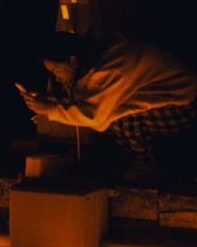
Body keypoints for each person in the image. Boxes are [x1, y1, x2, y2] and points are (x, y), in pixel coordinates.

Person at [21, 32, 197, 181]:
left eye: (56, 70)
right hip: (163, 99)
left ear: (73, 60)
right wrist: (51, 103)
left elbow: (92, 115)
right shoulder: (94, 63)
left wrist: (49, 110)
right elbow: (89, 105)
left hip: (184, 103)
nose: (57, 78)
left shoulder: (109, 70)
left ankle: (148, 161)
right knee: (110, 120)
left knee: (120, 122)